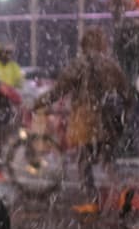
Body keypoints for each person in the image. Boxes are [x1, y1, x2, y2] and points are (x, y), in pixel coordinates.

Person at [34, 28, 131, 216]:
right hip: (108, 119)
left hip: (86, 118)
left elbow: (59, 90)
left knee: (83, 161)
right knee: (107, 159)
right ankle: (123, 189)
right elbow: (126, 93)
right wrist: (124, 116)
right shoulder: (111, 66)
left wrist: (38, 103)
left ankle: (92, 201)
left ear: (84, 45)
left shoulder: (80, 64)